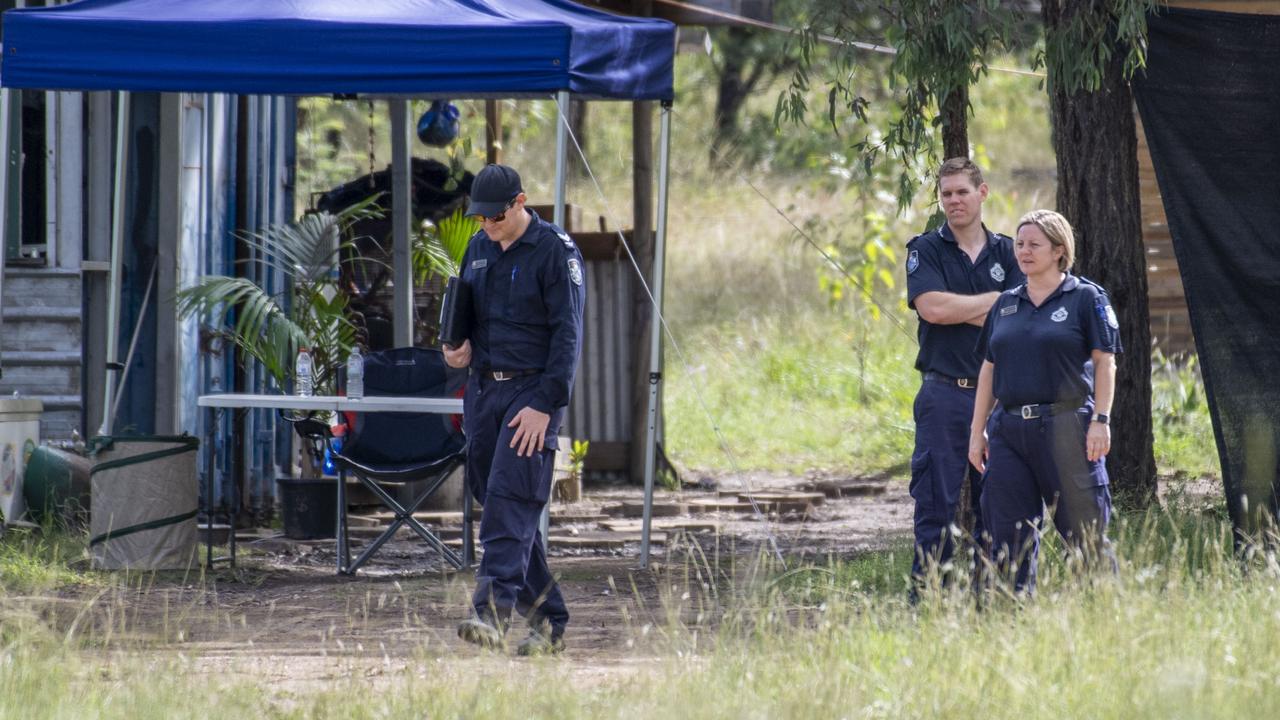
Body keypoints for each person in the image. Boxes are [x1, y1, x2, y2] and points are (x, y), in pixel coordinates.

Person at [443, 164, 586, 655]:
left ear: (521, 202)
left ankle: (491, 613)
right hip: (483, 392)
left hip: (532, 393)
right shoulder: (478, 246)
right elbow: (462, 318)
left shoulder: (554, 251)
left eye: (496, 217)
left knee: (509, 498)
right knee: (498, 496)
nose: (488, 226)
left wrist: (547, 404)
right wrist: (454, 351)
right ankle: (548, 621)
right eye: (480, 219)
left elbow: (569, 333)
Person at [967, 209, 1120, 594]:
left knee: (1085, 534)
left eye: (1034, 244)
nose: (1024, 251)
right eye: (1020, 244)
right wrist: (977, 432)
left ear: (1058, 250)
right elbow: (988, 369)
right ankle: (1013, 616)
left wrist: (1101, 419)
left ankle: (1102, 613)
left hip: (1068, 426)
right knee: (1007, 536)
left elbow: (1105, 362)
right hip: (1010, 431)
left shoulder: (1086, 298)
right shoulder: (1004, 304)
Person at [905, 157, 1024, 594]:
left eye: (962, 192)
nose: (954, 201)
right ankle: (929, 600)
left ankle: (992, 600)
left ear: (983, 193)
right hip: (945, 396)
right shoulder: (926, 250)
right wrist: (995, 302)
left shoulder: (1011, 252)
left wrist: (972, 309)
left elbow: (1020, 316)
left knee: (1000, 504)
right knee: (936, 505)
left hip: (998, 400)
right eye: (947, 193)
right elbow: (932, 309)